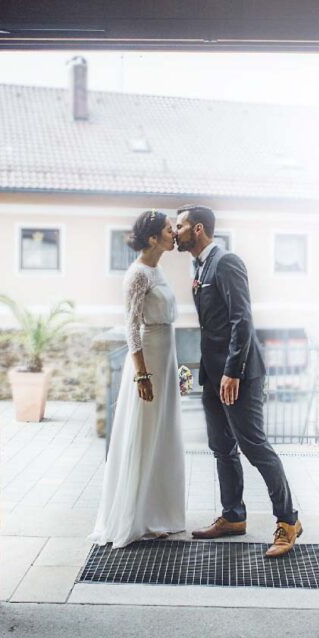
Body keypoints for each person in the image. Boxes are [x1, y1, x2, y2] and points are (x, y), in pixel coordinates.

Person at [175, 204, 302, 558]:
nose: (175, 231)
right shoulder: (201, 267)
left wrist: (233, 371)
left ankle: (289, 521)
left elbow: (241, 320)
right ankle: (233, 516)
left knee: (255, 447)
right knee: (221, 447)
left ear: (198, 229)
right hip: (213, 374)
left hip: (239, 374)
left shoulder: (227, 262)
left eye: (180, 225)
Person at [88, 210, 186, 548]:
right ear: (152, 238)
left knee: (163, 435)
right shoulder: (137, 275)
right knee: (143, 435)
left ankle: (157, 512)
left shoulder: (158, 270)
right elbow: (132, 327)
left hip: (167, 357)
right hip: (149, 363)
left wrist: (177, 369)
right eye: (167, 230)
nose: (174, 233)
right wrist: (142, 374)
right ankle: (135, 516)